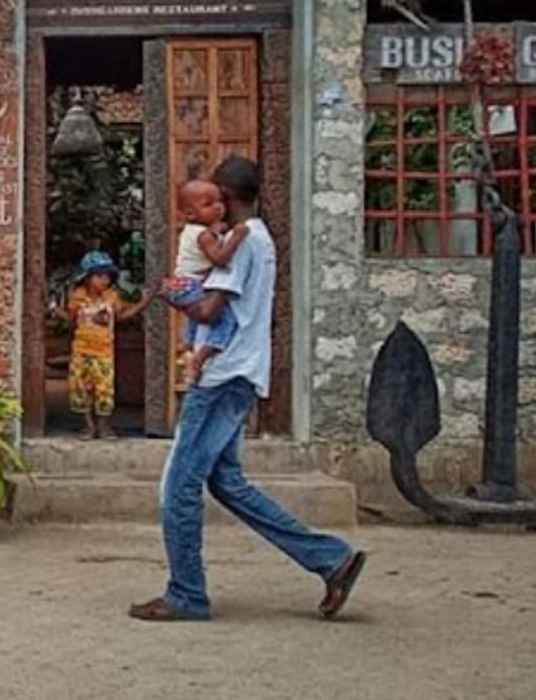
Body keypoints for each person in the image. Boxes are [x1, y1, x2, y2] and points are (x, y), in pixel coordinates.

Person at [131, 156, 367, 623]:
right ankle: (331, 559)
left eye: (214, 198)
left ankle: (186, 595)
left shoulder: (243, 243)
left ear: (228, 199)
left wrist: (173, 293)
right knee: (226, 482)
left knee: (178, 488)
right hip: (242, 371)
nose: (211, 208)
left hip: (222, 375)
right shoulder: (261, 239)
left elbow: (211, 311)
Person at [166, 180, 247, 391]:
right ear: (191, 214)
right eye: (208, 203)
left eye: (220, 201)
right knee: (226, 321)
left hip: (181, 285)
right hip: (192, 285)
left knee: (196, 316)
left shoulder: (194, 231)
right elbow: (219, 260)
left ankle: (188, 348)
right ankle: (201, 357)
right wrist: (236, 237)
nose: (218, 206)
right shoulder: (203, 236)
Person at [61, 251, 149, 439]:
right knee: (81, 389)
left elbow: (120, 316)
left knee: (104, 390)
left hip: (104, 353)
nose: (105, 280)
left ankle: (104, 426)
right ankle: (88, 426)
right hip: (81, 352)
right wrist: (54, 310)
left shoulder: (112, 297)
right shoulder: (77, 296)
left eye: (108, 276)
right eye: (99, 276)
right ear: (87, 277)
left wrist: (142, 303)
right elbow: (71, 320)